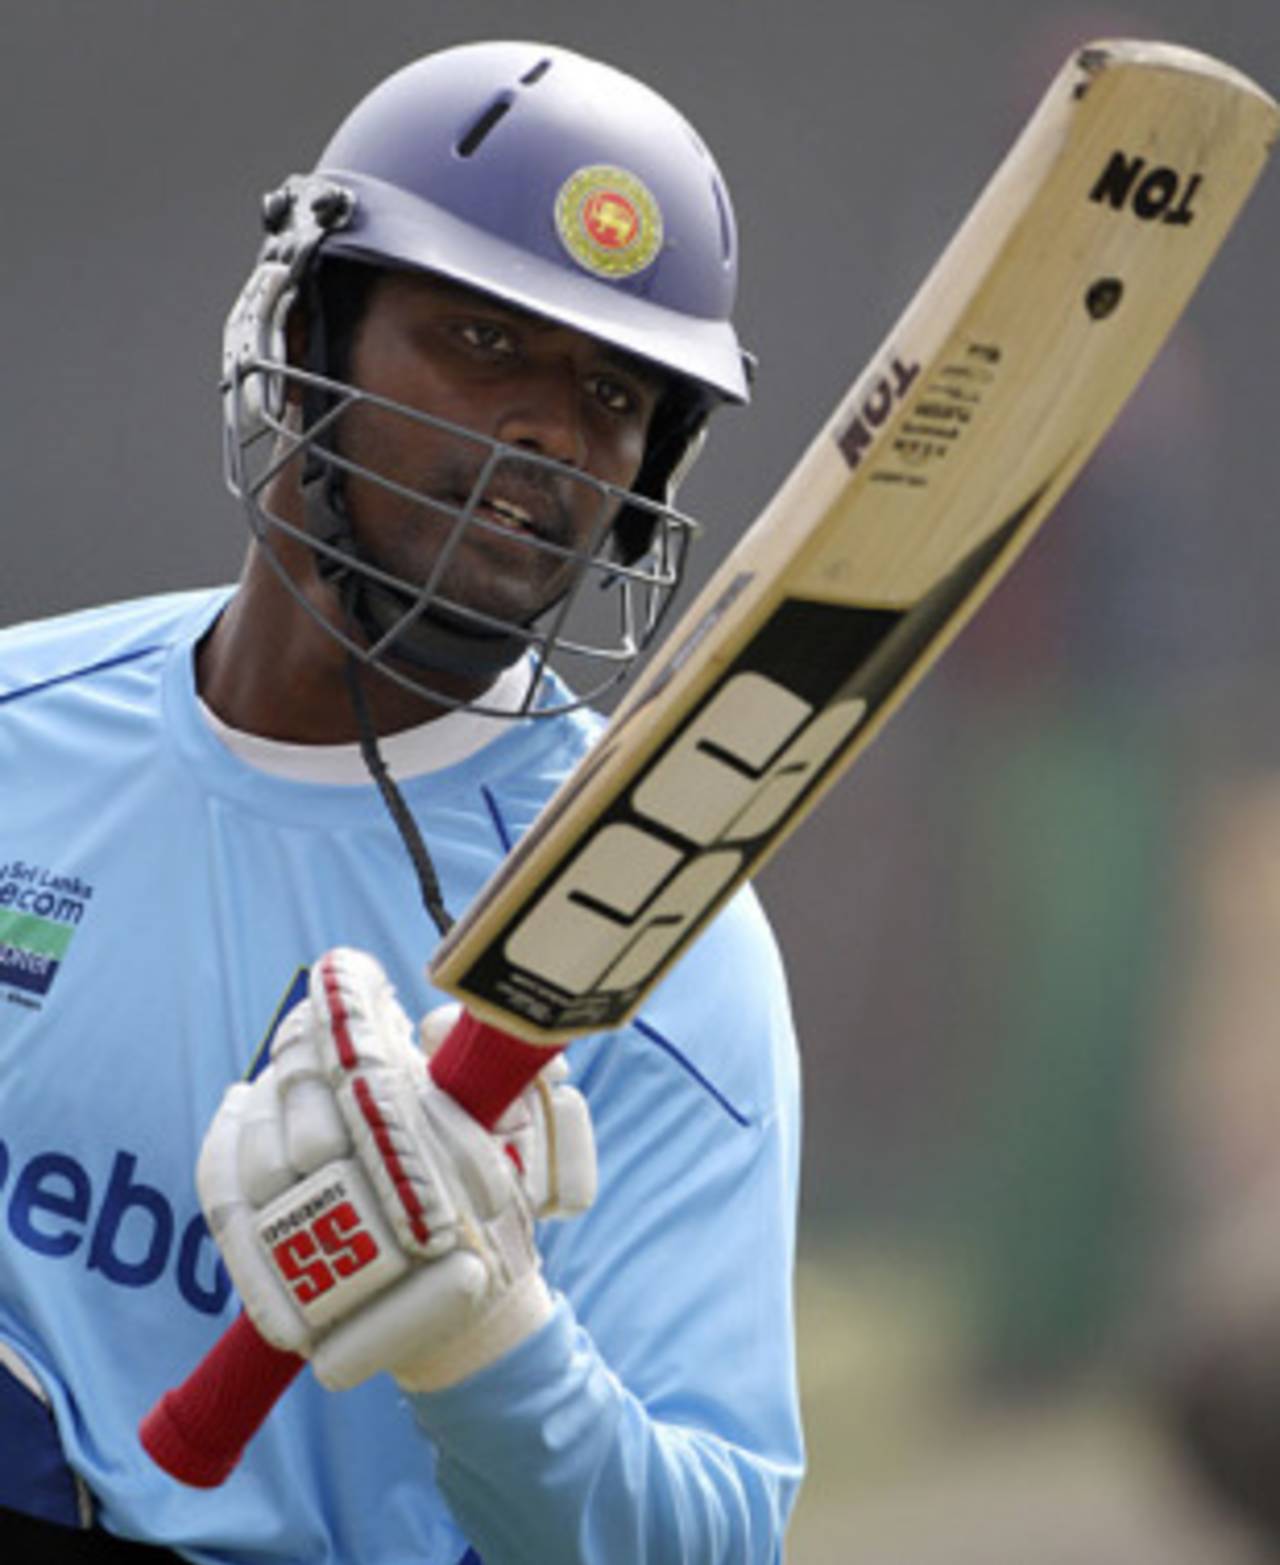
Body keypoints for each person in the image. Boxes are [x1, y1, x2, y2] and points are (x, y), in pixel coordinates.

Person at [0, 39, 805, 1564]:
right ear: (311, 326)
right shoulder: (18, 736)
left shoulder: (662, 931)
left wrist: (491, 1349)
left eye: (617, 394)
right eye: (484, 341)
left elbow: (710, 1540)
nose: (555, 439)